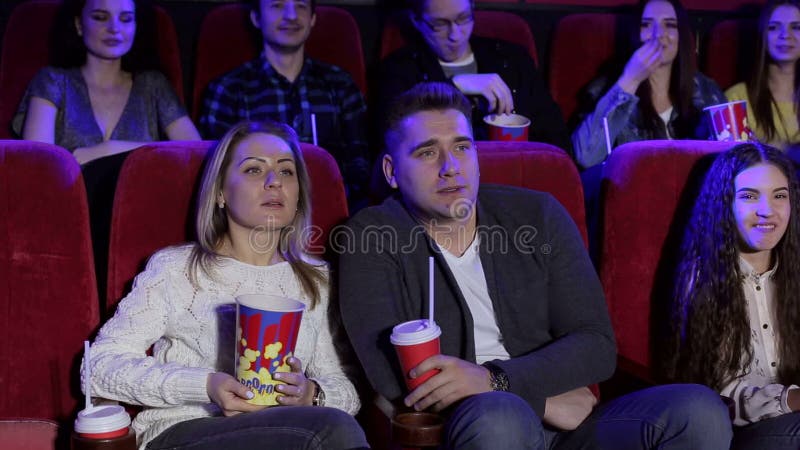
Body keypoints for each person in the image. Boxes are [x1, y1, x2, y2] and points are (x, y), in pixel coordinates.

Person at [337, 82, 732, 449]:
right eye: (427, 152)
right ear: (390, 171)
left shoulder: (536, 214)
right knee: (500, 417)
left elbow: (596, 345)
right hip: (477, 425)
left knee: (698, 410)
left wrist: (496, 379)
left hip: (571, 426)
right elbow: (398, 379)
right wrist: (532, 398)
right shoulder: (371, 236)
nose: (450, 167)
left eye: (462, 147)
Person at [83, 120, 367, 450]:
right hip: (185, 432)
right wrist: (205, 386)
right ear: (220, 192)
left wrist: (312, 394)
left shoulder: (319, 279)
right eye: (253, 170)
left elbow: (347, 385)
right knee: (333, 430)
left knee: (331, 427)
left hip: (288, 431)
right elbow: (98, 367)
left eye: (287, 172)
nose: (274, 182)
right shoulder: (177, 268)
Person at [666, 142, 800, 449]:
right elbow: (717, 395)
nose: (768, 210)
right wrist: (792, 398)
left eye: (780, 196)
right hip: (739, 432)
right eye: (749, 196)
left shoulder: (794, 272)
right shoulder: (702, 278)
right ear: (725, 203)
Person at [199, 0, 369, 209]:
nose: (291, 16)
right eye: (277, 6)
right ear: (256, 18)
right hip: (258, 213)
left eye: (301, 6)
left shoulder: (340, 83)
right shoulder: (228, 89)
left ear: (313, 18)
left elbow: (361, 161)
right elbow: (218, 171)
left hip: (334, 212)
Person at [13, 0, 200, 164]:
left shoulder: (153, 85)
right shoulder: (52, 81)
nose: (114, 28)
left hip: (142, 200)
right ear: (79, 24)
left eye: (126, 19)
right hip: (65, 201)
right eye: (100, 17)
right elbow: (38, 164)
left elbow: (196, 152)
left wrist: (109, 150)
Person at [376, 0, 570, 150]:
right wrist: (453, 85)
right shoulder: (400, 68)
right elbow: (393, 140)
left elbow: (556, 138)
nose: (455, 35)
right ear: (416, 21)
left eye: (463, 18)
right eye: (440, 25)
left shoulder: (512, 59)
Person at [572, 0, 726, 170]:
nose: (658, 34)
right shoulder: (604, 89)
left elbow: (734, 156)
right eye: (646, 25)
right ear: (635, 34)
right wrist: (630, 80)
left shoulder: (706, 90)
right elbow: (585, 156)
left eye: (670, 25)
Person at [726, 0, 800, 149]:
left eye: (796, 27)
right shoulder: (736, 99)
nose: (786, 35)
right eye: (774, 27)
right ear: (762, 35)